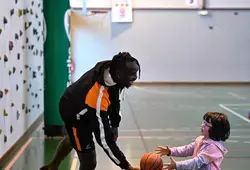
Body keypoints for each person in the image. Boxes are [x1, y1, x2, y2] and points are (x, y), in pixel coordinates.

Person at [40, 52, 141, 170]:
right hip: (73, 111)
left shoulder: (113, 69)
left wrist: (115, 125)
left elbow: (115, 100)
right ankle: (53, 166)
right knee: (89, 162)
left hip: (84, 104)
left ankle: (52, 166)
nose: (133, 80)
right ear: (119, 75)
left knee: (73, 139)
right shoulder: (98, 96)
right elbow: (104, 140)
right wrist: (126, 166)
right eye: (130, 78)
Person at [155, 112, 230, 170]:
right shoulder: (201, 139)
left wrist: (177, 165)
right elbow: (187, 149)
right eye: (203, 122)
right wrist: (171, 151)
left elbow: (196, 162)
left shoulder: (214, 148)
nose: (202, 125)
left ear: (215, 130)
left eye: (206, 124)